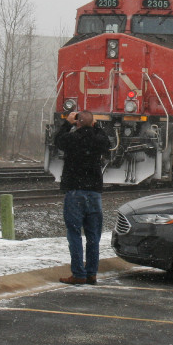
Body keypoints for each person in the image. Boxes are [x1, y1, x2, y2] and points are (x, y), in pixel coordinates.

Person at [54, 110, 110, 285]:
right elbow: (107, 142)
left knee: (74, 235)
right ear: (92, 123)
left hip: (75, 192)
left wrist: (68, 123)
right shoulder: (99, 140)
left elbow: (58, 140)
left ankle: (78, 273)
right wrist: (96, 126)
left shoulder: (71, 139)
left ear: (77, 122)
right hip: (94, 193)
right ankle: (92, 273)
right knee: (94, 237)